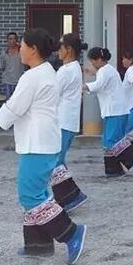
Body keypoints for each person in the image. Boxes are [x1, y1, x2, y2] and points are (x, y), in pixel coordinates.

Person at [0, 28, 87, 264]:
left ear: (33, 49)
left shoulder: (33, 76)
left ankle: (72, 233)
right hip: (43, 142)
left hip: (38, 144)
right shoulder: (45, 72)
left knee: (29, 194)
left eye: (22, 45)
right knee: (40, 193)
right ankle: (38, 244)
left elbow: (14, 107)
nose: (19, 49)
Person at [84, 47, 133, 178]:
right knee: (108, 140)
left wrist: (82, 86)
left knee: (111, 140)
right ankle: (113, 169)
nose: (92, 64)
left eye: (92, 61)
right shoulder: (107, 69)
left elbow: (98, 85)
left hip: (115, 110)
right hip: (114, 110)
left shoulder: (104, 71)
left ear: (98, 59)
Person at [50, 34, 88, 213]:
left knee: (55, 161)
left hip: (63, 120)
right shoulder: (74, 68)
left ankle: (71, 197)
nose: (58, 51)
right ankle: (68, 196)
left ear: (69, 50)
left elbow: (53, 94)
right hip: (68, 120)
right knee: (58, 160)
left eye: (61, 47)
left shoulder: (66, 71)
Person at [0, 31, 25, 99]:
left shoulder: (22, 51)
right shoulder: (4, 53)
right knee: (8, 100)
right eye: (10, 39)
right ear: (7, 40)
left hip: (19, 81)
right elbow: (2, 67)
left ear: (16, 40)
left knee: (18, 99)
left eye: (14, 38)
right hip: (8, 81)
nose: (12, 41)